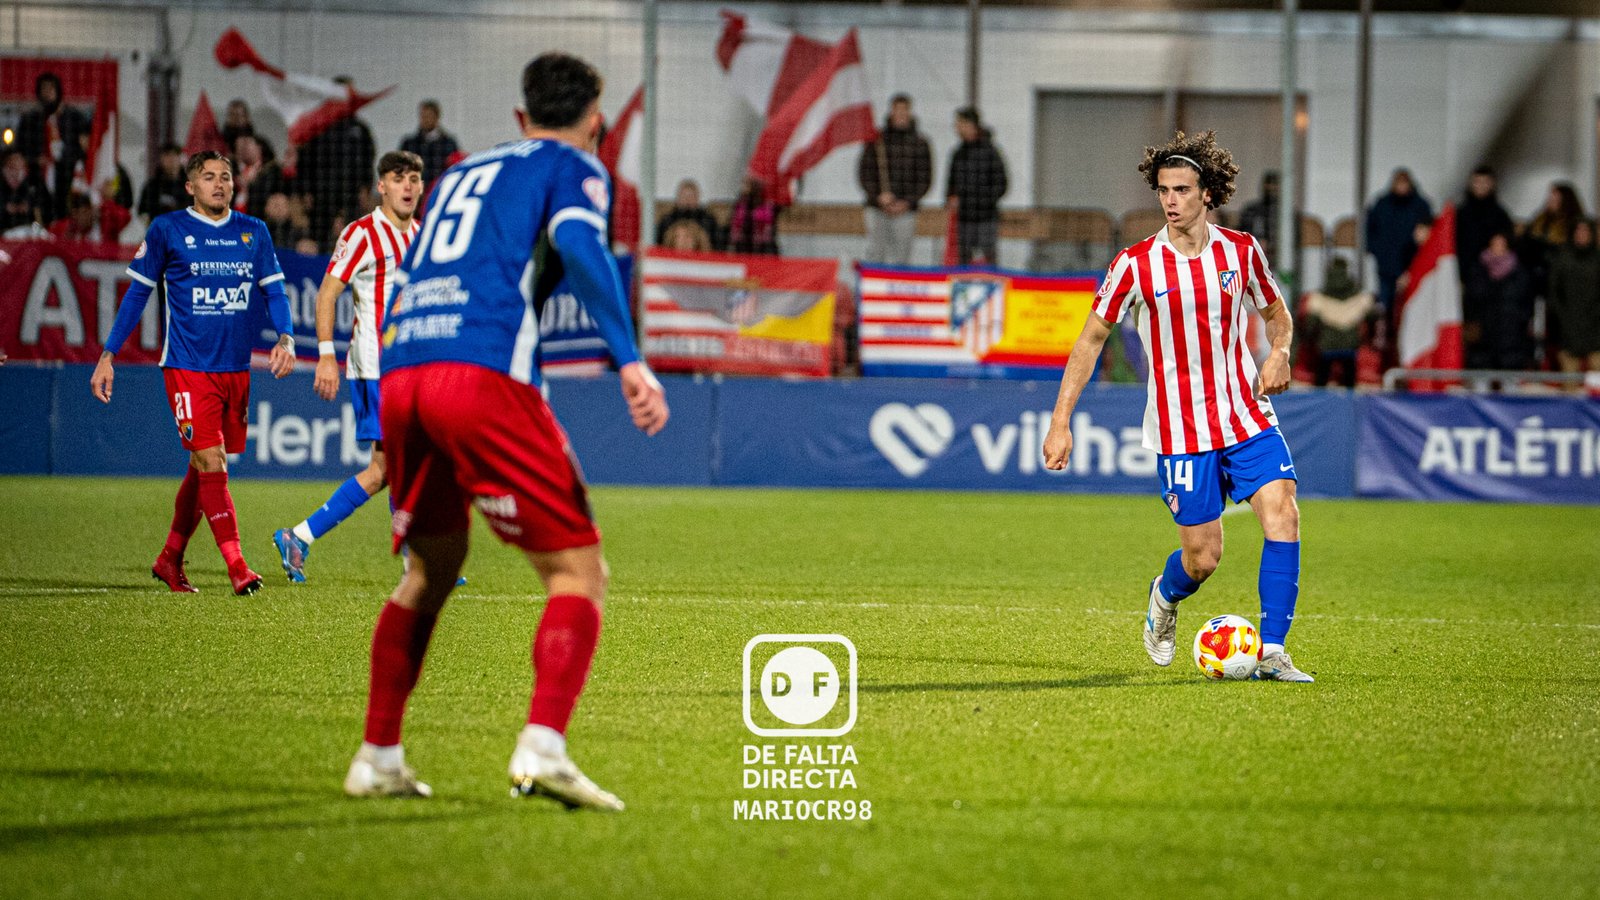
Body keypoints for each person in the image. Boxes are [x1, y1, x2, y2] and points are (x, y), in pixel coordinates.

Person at [342, 52, 668, 810]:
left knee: (430, 568)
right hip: (480, 374)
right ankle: (543, 746)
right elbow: (584, 248)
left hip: (404, 370)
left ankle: (378, 754)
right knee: (578, 573)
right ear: (596, 121)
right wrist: (629, 360)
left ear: (520, 117)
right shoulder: (576, 166)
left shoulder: (457, 173)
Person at [1042, 130, 1312, 683]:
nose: (1170, 200)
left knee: (1283, 512)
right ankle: (1164, 598)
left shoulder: (1242, 251)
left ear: (1206, 193)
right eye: (1164, 189)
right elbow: (1090, 341)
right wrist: (1060, 421)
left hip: (1246, 413)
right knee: (1202, 558)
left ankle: (1274, 650)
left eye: (1182, 189)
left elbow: (1277, 315)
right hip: (1181, 431)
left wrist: (1280, 351)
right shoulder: (1135, 265)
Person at [89, 151, 298, 596]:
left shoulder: (253, 231)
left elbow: (276, 293)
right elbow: (136, 297)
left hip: (235, 370)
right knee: (212, 461)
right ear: (190, 187)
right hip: (187, 367)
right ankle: (238, 566)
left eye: (225, 177)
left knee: (201, 467)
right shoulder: (168, 229)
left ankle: (170, 558)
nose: (219, 184)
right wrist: (108, 354)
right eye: (208, 177)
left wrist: (285, 338)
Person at [271, 151, 425, 583]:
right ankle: (300, 535)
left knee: (397, 468)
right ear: (382, 186)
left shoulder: (422, 236)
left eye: (414, 178)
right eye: (399, 178)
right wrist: (325, 354)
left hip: (410, 369)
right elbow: (326, 294)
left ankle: (414, 564)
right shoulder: (362, 233)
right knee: (386, 470)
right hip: (375, 367)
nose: (408, 186)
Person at [857, 93, 933, 265]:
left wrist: (906, 201)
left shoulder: (921, 143)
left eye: (904, 110)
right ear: (891, 112)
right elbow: (865, 173)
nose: (900, 114)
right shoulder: (876, 140)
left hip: (906, 211)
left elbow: (925, 179)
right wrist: (878, 196)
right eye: (897, 110)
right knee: (875, 254)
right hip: (877, 208)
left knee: (902, 258)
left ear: (910, 112)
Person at [17, 72, 90, 221]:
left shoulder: (75, 118)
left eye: (51, 89)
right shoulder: (30, 120)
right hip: (38, 180)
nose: (47, 93)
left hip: (68, 178)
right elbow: (20, 151)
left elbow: (84, 150)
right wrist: (36, 160)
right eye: (44, 89)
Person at [1365, 168, 1433, 324]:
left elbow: (1428, 230)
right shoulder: (1382, 204)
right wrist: (1375, 249)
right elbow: (1370, 228)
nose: (1401, 187)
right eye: (1398, 183)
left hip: (1413, 264)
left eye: (1404, 184)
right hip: (1386, 264)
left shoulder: (1421, 205)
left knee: (1411, 306)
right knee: (1385, 305)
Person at [945, 107, 1007, 265]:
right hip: (964, 219)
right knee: (963, 261)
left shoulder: (991, 152)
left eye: (959, 123)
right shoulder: (958, 153)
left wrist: (980, 201)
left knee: (989, 259)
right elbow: (951, 184)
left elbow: (1002, 185)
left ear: (970, 124)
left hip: (986, 218)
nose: (956, 127)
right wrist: (950, 198)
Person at [1465, 232, 1536, 370]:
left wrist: (1520, 321)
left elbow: (1527, 304)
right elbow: (1470, 302)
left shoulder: (1519, 274)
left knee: (1510, 381)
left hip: (1511, 338)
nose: (1498, 248)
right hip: (1482, 339)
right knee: (1481, 380)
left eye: (1501, 244)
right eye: (1495, 244)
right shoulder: (1478, 271)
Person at [1300, 257, 1374, 388]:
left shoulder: (1319, 297)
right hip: (1350, 343)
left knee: (1321, 380)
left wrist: (1309, 338)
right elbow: (1371, 317)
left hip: (1327, 344)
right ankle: (1350, 405)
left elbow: (1310, 324)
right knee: (1349, 379)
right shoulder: (1358, 296)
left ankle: (1319, 405)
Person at [1548, 219, 1600, 381]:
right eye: (1578, 231)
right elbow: (1554, 293)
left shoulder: (1597, 259)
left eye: (1585, 231)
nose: (1582, 235)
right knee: (1569, 387)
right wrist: (1563, 320)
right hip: (1567, 331)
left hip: (1596, 332)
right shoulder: (1563, 259)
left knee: (1596, 386)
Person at [399, 99, 460, 187]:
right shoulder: (410, 144)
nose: (425, 120)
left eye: (429, 116)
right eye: (423, 116)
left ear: (437, 117)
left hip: (439, 190)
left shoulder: (448, 143)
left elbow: (454, 169)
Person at [655, 179, 723, 250]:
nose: (687, 200)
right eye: (684, 196)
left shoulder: (708, 220)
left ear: (697, 198)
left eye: (691, 196)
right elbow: (659, 244)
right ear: (678, 198)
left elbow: (718, 245)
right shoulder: (667, 219)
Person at [47, 186, 129, 242]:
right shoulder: (66, 228)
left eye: (86, 212)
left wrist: (103, 207)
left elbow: (126, 216)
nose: (83, 218)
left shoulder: (107, 223)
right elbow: (49, 236)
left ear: (91, 210)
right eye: (78, 215)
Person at [1, 146, 50, 232]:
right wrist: (6, 207)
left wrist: (29, 207)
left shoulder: (34, 180)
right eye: (11, 159)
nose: (15, 163)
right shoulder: (2, 181)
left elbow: (46, 203)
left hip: (30, 228)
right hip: (4, 229)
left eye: (17, 159)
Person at [728, 176, 780, 255]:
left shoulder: (766, 206)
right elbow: (734, 226)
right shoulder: (740, 205)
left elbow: (768, 229)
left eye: (746, 185)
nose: (743, 188)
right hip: (741, 246)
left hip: (762, 247)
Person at [138, 143, 189, 223]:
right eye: (167, 156)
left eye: (175, 155)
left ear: (180, 158)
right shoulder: (152, 186)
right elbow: (143, 211)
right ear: (162, 159)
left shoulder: (190, 186)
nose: (171, 160)